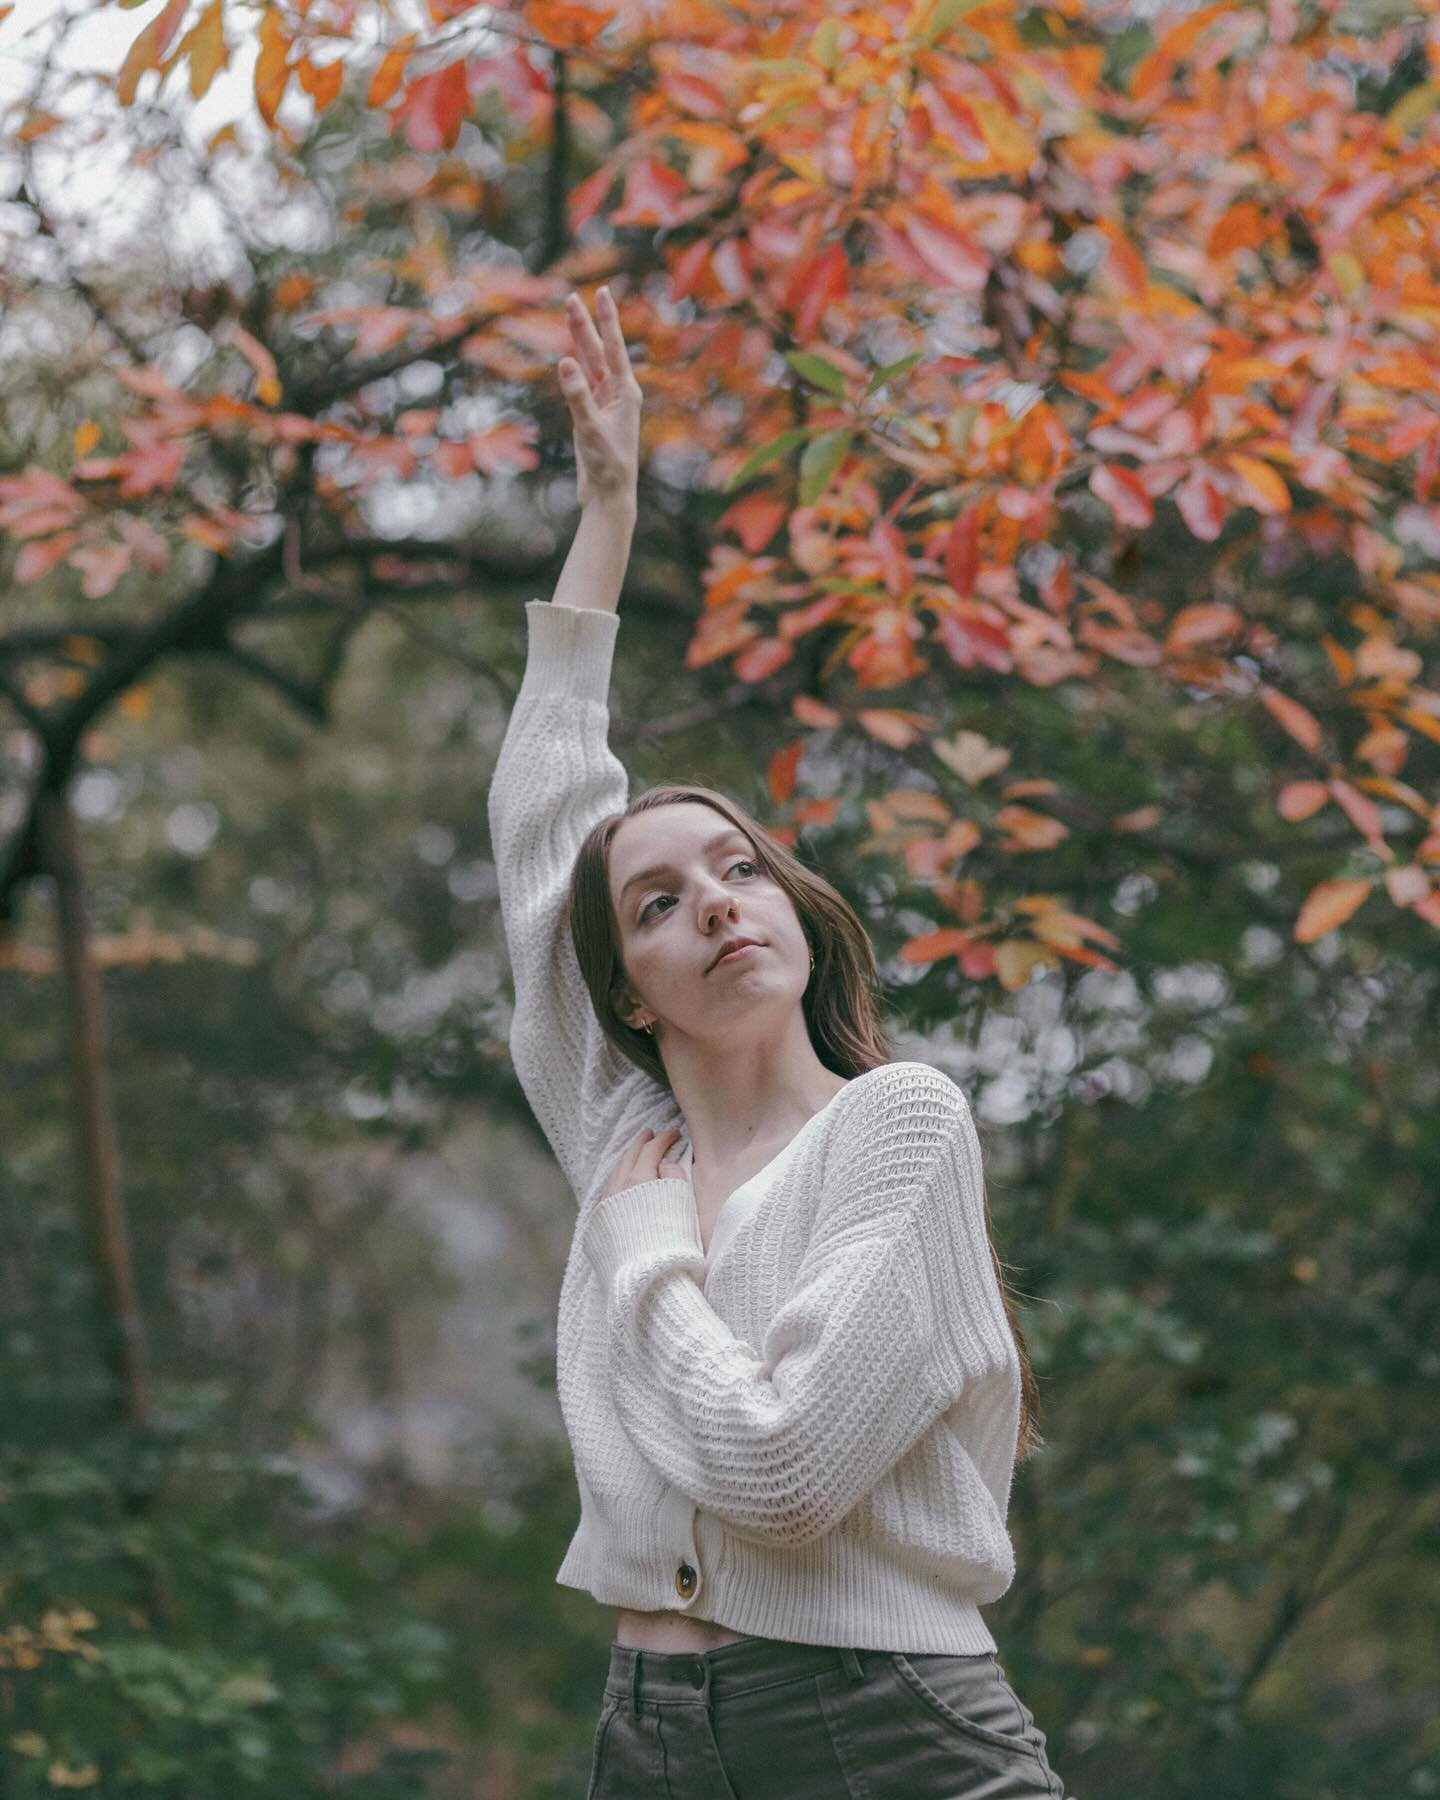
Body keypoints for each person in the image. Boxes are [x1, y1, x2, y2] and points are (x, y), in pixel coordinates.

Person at [485, 287, 1073, 1798]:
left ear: (795, 909)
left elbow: (787, 1477)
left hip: (888, 1727)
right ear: (628, 987)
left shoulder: (899, 1126)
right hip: (650, 1732)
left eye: (742, 869)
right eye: (664, 902)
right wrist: (605, 513)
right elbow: (546, 819)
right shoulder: (620, 1131)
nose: (719, 907)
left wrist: (644, 1257)